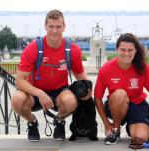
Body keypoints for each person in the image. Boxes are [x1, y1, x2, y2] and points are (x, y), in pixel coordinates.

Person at [11, 9, 89, 141]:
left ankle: (59, 121)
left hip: (59, 91)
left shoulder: (73, 50)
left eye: (58, 26)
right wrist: (40, 94)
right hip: (34, 92)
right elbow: (19, 81)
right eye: (51, 26)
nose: (54, 30)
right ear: (45, 26)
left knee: (71, 102)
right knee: (17, 100)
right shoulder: (33, 48)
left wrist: (90, 93)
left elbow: (81, 76)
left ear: (64, 27)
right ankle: (32, 122)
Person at [94, 33, 149, 146]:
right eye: (123, 50)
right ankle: (116, 130)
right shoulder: (106, 69)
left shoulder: (143, 67)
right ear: (117, 49)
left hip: (138, 105)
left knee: (141, 137)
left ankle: (131, 127)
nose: (126, 53)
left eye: (130, 50)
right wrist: (106, 123)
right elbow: (97, 98)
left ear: (135, 51)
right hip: (116, 106)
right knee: (120, 94)